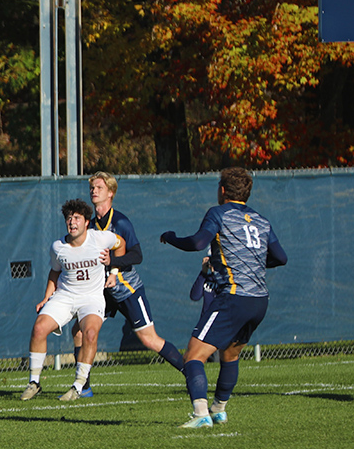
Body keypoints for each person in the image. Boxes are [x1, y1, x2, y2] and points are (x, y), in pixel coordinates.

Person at [161, 167, 287, 428]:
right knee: (230, 354)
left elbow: (197, 243)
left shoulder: (218, 213)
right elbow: (281, 258)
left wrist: (171, 238)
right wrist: (253, 263)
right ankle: (219, 409)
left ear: (222, 190)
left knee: (193, 356)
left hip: (233, 297)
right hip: (259, 300)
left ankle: (200, 415)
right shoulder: (261, 220)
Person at [71, 172, 185, 395]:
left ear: (110, 193)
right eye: (92, 188)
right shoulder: (90, 225)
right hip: (103, 291)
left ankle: (189, 371)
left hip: (126, 289)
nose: (94, 191)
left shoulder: (121, 222)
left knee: (149, 339)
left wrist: (113, 262)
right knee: (79, 330)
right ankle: (83, 386)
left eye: (99, 187)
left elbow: (137, 255)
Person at [21, 199, 125, 402]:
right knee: (39, 328)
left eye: (77, 218)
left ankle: (78, 386)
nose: (72, 222)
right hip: (65, 295)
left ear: (87, 222)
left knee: (91, 333)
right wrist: (46, 297)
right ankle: (34, 382)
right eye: (69, 218)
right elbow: (54, 272)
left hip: (92, 298)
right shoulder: (58, 247)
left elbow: (121, 244)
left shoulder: (101, 238)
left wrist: (114, 270)